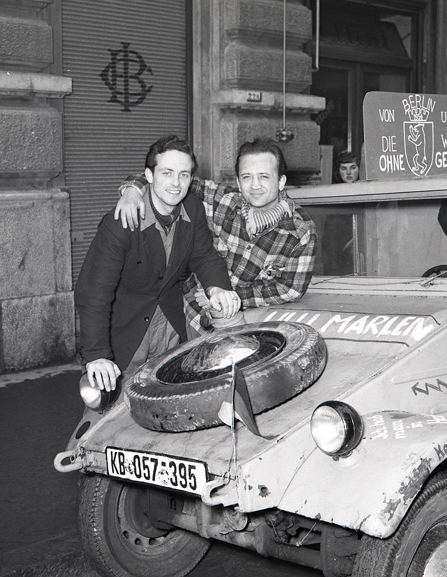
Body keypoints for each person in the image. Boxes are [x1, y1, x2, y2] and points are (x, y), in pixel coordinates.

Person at [75, 135, 240, 392]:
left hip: (170, 325)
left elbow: (204, 255)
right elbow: (95, 291)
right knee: (107, 406)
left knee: (170, 396)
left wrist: (217, 287)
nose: (176, 183)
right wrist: (96, 355)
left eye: (184, 175)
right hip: (124, 331)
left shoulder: (193, 208)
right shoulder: (121, 222)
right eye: (167, 173)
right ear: (149, 176)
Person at [115, 137, 317, 337]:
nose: (255, 185)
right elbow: (169, 179)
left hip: (241, 328)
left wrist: (229, 296)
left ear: (281, 181)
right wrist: (132, 191)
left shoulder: (300, 231)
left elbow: (291, 288)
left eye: (264, 177)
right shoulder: (222, 200)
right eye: (247, 177)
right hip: (189, 317)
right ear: (238, 182)